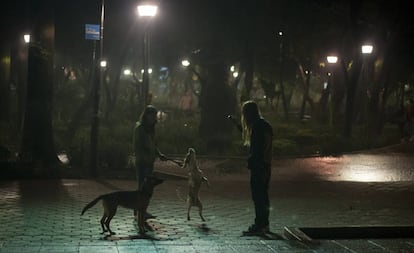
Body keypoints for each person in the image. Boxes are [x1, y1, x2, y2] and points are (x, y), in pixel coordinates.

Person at [234, 100, 273, 235]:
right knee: (263, 196)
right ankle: (264, 223)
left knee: (258, 197)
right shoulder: (264, 125)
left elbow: (256, 148)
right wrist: (238, 126)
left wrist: (251, 161)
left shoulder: (257, 127)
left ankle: (260, 224)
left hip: (259, 167)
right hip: (266, 166)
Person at [133, 105, 167, 219]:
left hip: (149, 162)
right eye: (151, 115)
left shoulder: (151, 128)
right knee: (142, 187)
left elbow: (153, 144)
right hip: (142, 162)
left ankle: (140, 210)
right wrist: (147, 154)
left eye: (154, 115)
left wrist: (159, 154)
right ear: (146, 115)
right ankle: (139, 210)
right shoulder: (140, 128)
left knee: (146, 188)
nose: (153, 118)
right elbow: (138, 146)